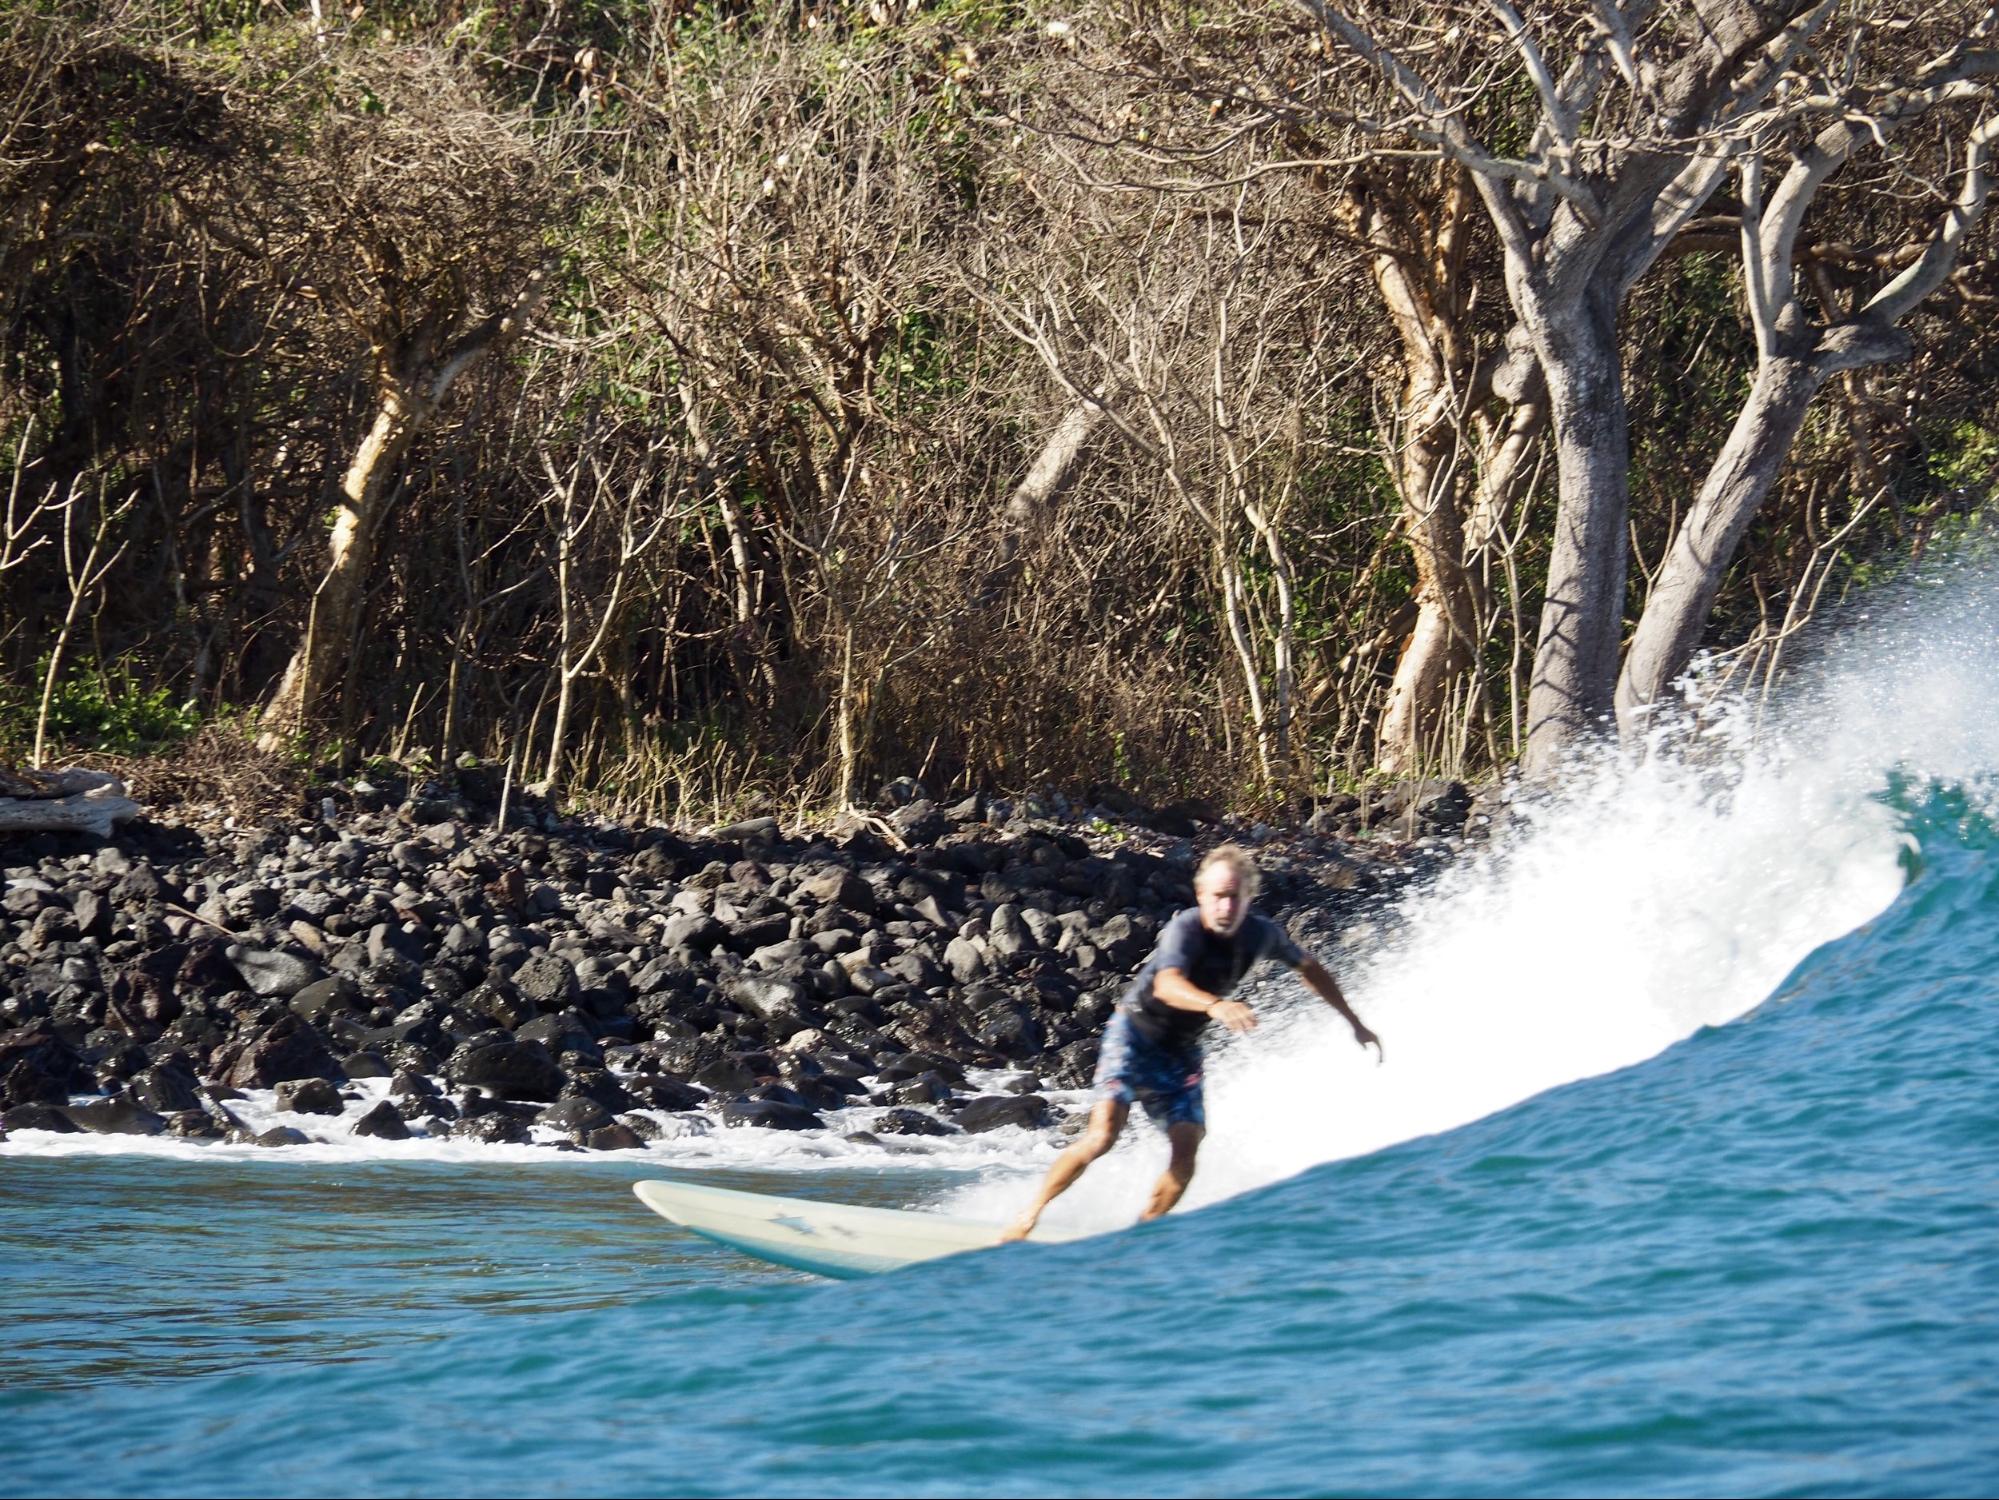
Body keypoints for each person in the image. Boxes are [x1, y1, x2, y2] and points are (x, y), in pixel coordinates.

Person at [1002, 844, 1379, 1241]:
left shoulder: (1261, 934)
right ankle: (1030, 1215)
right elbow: (1167, 984)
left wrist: (1354, 1022)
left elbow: (1310, 968)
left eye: (1234, 897)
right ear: (1202, 896)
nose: (1225, 906)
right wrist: (1216, 1005)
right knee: (1103, 1136)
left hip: (1180, 1052)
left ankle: (1141, 1237)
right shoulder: (1187, 928)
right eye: (1217, 896)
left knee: (1187, 1150)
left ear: (1248, 898)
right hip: (1134, 1035)